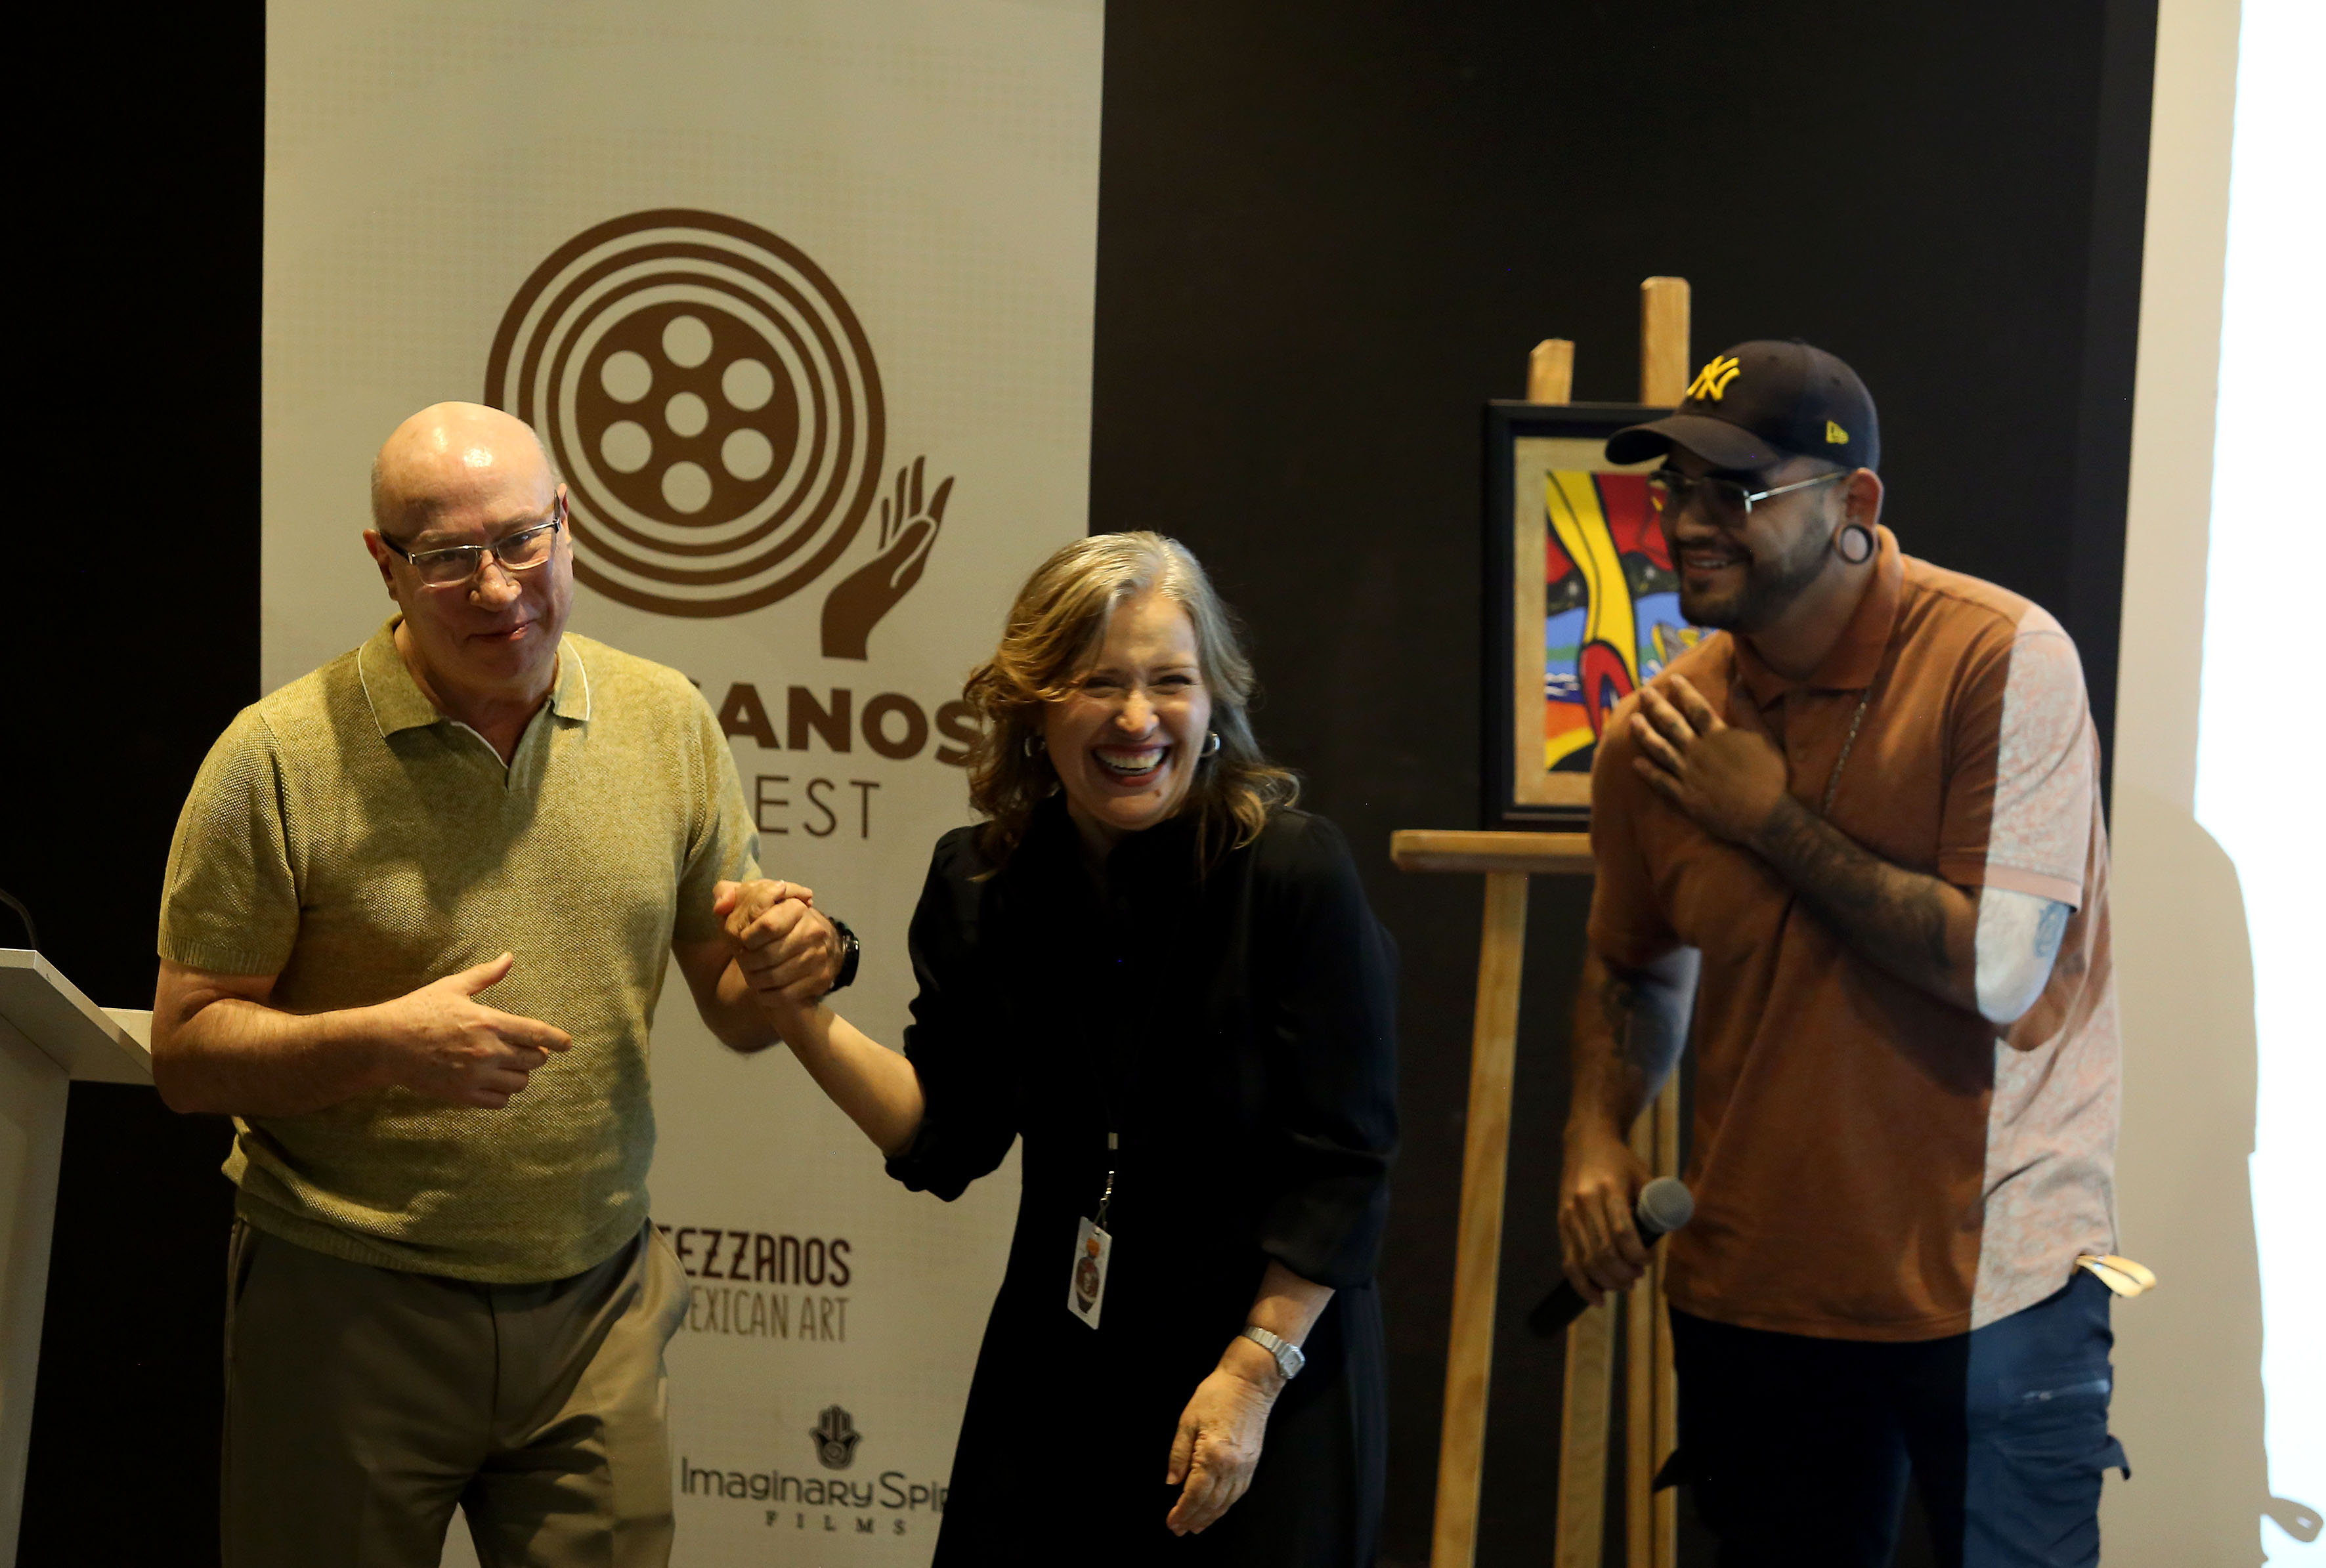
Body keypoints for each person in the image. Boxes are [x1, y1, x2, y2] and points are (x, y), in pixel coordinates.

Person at [150, 402, 845, 1568]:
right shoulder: (276, 756)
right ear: (385, 563)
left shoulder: (665, 719)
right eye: (447, 556)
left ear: (568, 522)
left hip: (596, 1300)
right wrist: (382, 1042)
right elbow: (185, 1053)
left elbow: (733, 998)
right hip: (348, 1297)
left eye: (523, 540)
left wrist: (790, 964)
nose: (496, 586)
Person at [714, 532, 1398, 1564]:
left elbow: (1345, 1161)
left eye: (1171, 681)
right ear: (1035, 706)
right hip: (1062, 1345)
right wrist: (798, 1014)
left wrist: (1251, 1371)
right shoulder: (983, 880)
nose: (1137, 718)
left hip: (1272, 1354)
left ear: (1214, 700)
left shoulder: (1294, 872)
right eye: (1099, 682)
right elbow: (947, 1133)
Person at [1559, 342, 2127, 1567]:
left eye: (1734, 493)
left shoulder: (2004, 661)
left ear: (1854, 502)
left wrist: (1769, 819)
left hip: (1998, 1288)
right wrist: (1597, 1131)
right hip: (1758, 1294)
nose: (1688, 526)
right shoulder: (1661, 730)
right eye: (1674, 490)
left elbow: (2001, 973)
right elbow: (1631, 963)